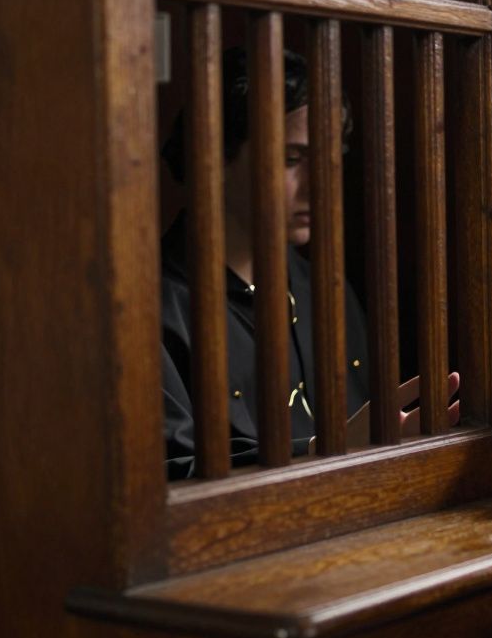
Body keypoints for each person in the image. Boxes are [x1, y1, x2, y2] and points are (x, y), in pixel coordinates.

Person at [161, 48, 457, 480]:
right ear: (215, 156)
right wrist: (323, 452)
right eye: (292, 160)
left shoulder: (324, 287)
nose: (318, 185)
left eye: (329, 160)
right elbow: (172, 476)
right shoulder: (158, 306)